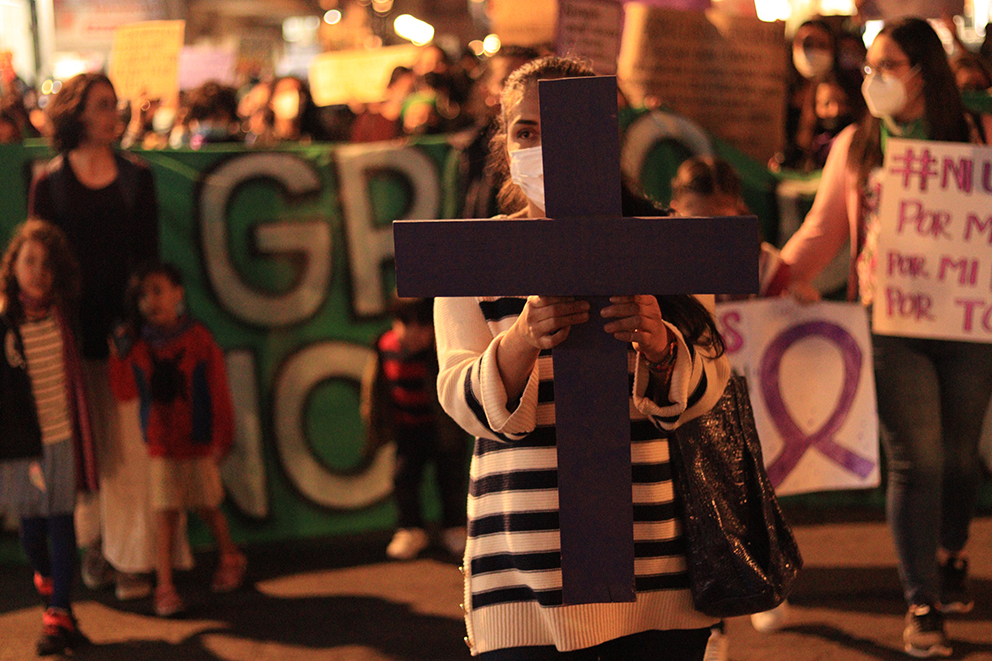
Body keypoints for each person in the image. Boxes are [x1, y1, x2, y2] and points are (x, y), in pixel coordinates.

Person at [434, 55, 731, 660]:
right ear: (504, 141)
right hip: (519, 583)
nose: (542, 147)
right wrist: (520, 341)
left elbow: (710, 383)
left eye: (564, 130)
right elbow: (459, 396)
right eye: (526, 131)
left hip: (657, 574)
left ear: (607, 140)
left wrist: (660, 342)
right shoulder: (470, 257)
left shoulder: (665, 243)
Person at [779, 18, 992, 658]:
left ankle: (951, 547)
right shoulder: (858, 144)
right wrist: (773, 276)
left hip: (967, 319)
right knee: (915, 459)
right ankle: (921, 601)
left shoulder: (979, 136)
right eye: (870, 65)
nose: (874, 78)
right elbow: (824, 232)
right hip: (891, 320)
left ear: (923, 70)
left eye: (888, 64)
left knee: (959, 457)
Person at [28, 72, 193, 602]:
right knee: (85, 453)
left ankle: (134, 560)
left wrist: (139, 325)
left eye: (114, 105)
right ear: (76, 113)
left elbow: (146, 259)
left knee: (129, 454)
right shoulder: (48, 182)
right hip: (70, 340)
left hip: (126, 338)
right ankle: (96, 546)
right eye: (102, 105)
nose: (113, 114)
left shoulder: (136, 177)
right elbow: (42, 267)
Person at [108, 262, 244, 617]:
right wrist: (118, 355)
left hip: (197, 443)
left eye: (158, 290)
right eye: (143, 295)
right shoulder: (138, 346)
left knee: (208, 505)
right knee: (165, 515)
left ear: (178, 292)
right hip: (161, 445)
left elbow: (218, 391)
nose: (151, 301)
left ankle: (230, 555)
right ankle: (165, 586)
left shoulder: (199, 339)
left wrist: (221, 439)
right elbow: (124, 393)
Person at [0, 219, 97, 655]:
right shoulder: (3, 320)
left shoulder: (63, 314)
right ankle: (49, 584)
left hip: (60, 437)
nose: (38, 271)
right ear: (13, 266)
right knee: (31, 529)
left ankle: (57, 609)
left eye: (46, 264)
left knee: (61, 521)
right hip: (21, 446)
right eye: (30, 261)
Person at [361, 295, 469, 560]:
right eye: (404, 322)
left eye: (422, 323)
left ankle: (454, 527)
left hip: (442, 430)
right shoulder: (384, 346)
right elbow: (375, 388)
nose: (412, 332)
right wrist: (377, 424)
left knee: (450, 480)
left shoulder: (442, 348)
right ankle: (411, 529)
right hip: (407, 430)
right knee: (403, 479)